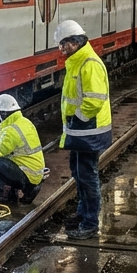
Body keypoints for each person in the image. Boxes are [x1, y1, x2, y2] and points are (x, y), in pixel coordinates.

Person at [56, 19, 111, 240]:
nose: (61, 49)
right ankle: (82, 213)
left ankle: (90, 223)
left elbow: (95, 99)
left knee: (87, 176)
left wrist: (77, 119)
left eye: (63, 44)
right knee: (78, 173)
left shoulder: (89, 63)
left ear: (74, 42)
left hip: (89, 131)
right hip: (80, 131)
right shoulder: (77, 61)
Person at [0, 93, 46, 205]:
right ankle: (29, 190)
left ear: (3, 113)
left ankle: (1, 195)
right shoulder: (25, 122)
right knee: (8, 158)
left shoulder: (10, 130)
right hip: (36, 173)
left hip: (26, 175)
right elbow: (9, 139)